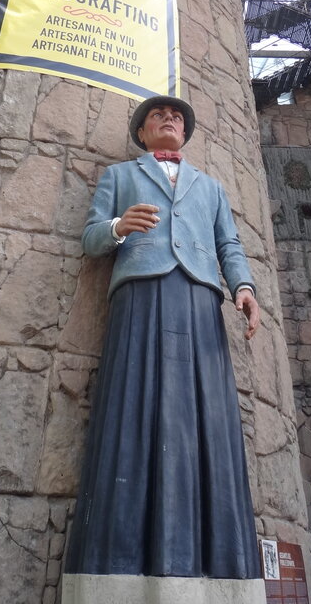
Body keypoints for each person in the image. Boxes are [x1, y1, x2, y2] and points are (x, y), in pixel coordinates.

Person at [63, 96, 262, 594]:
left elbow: (229, 244)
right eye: (158, 115)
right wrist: (118, 227)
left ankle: (223, 573)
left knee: (209, 414)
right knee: (132, 402)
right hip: (140, 293)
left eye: (176, 117)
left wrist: (243, 286)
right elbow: (90, 238)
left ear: (185, 134)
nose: (169, 119)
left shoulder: (210, 188)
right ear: (141, 132)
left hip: (200, 298)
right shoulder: (118, 176)